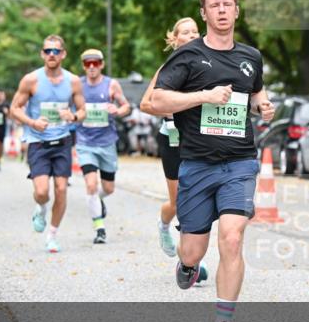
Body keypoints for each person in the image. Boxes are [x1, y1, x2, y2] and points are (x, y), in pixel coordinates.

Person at [150, 0, 275, 322]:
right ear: (204, 13)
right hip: (197, 164)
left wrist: (262, 105)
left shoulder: (251, 57)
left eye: (228, 4)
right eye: (214, 5)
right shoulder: (187, 56)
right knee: (193, 251)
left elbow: (255, 91)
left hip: (239, 162)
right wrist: (204, 95)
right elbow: (156, 100)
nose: (222, 10)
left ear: (236, 10)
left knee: (233, 238)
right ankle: (186, 265)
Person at [10, 34, 86, 253]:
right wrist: (33, 122)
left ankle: (52, 235)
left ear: (63, 54)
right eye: (47, 51)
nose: (51, 55)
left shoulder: (73, 81)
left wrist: (72, 116)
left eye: (56, 51)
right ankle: (41, 207)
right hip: (38, 142)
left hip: (62, 141)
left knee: (61, 190)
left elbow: (82, 111)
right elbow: (14, 108)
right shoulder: (30, 80)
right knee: (42, 192)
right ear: (42, 54)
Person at [140, 17, 200, 256]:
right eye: (186, 32)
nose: (193, 35)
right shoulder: (166, 70)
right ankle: (164, 225)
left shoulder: (207, 66)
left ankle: (190, 259)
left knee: (195, 200)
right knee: (177, 203)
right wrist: (172, 109)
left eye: (196, 31)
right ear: (175, 39)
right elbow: (145, 104)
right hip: (172, 139)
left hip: (197, 140)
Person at [75, 48, 130, 244]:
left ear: (101, 65)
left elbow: (126, 106)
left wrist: (117, 109)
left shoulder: (111, 85)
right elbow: (68, 107)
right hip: (85, 143)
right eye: (87, 63)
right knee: (91, 185)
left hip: (107, 143)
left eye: (95, 63)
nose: (91, 67)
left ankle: (98, 200)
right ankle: (99, 228)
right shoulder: (77, 86)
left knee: (108, 188)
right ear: (83, 66)